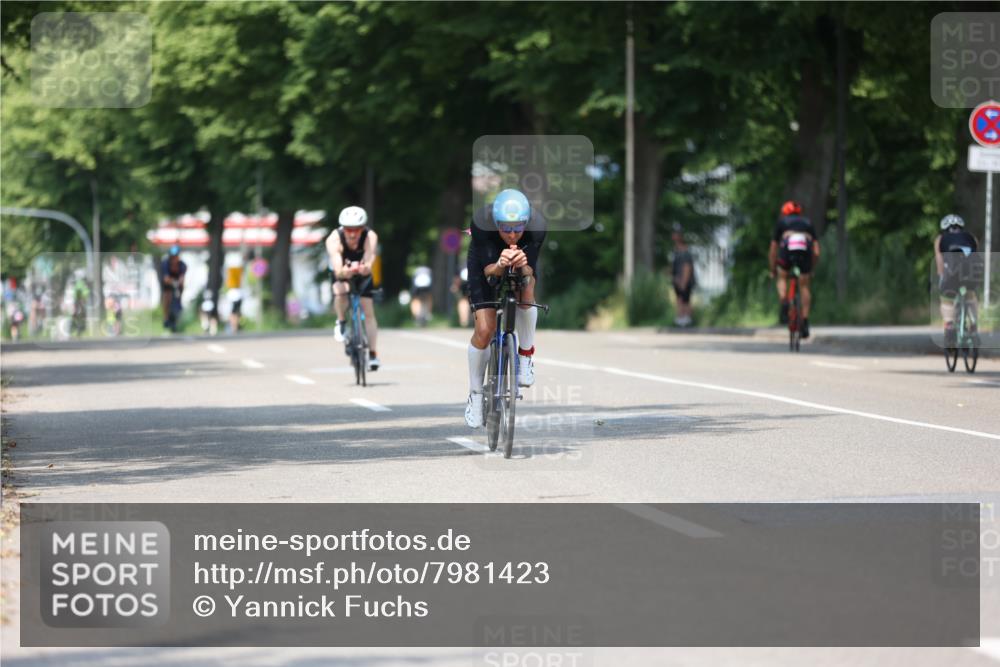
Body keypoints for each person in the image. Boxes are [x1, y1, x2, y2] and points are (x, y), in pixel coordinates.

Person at [464, 188, 546, 428]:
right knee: (485, 330)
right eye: (506, 228)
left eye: (517, 228)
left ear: (526, 223)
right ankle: (475, 394)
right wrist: (500, 263)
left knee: (527, 287)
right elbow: (489, 273)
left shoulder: (537, 226)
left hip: (520, 263)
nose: (511, 234)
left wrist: (523, 266)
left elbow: (530, 272)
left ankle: (526, 355)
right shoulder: (482, 223)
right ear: (496, 222)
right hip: (487, 263)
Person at [325, 206, 380, 371]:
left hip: (362, 271)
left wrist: (365, 268)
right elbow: (337, 268)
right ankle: (341, 320)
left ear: (363, 228)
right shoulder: (334, 239)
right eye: (349, 230)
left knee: (368, 312)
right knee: (339, 291)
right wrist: (344, 272)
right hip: (342, 270)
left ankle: (373, 354)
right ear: (343, 229)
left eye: (357, 230)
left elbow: (369, 259)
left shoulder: (370, 236)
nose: (353, 234)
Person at [769, 200, 820, 338]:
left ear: (785, 212)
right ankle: (805, 322)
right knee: (804, 286)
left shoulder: (782, 222)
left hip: (787, 250)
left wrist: (773, 269)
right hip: (804, 251)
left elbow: (773, 249)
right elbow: (816, 250)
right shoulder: (808, 223)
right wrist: (811, 268)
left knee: (782, 276)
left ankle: (785, 303)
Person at [934, 214, 980, 346]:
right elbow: (976, 256)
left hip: (951, 273)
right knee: (971, 295)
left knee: (946, 299)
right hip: (970, 272)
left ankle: (949, 325)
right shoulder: (971, 237)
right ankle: (973, 324)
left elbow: (939, 260)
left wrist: (940, 277)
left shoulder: (940, 239)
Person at [670, 224, 695, 327]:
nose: (673, 236)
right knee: (680, 300)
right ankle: (681, 320)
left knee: (685, 301)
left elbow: (687, 267)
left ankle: (687, 321)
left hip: (684, 281)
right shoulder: (676, 251)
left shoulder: (684, 251)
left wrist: (684, 282)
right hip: (678, 280)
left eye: (676, 234)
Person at [160, 245, 187, 330]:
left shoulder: (182, 265)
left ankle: (179, 306)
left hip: (178, 284)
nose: (174, 259)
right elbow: (166, 278)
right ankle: (166, 318)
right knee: (167, 297)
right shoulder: (165, 263)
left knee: (179, 293)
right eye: (172, 257)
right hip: (168, 284)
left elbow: (182, 277)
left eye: (176, 257)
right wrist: (172, 282)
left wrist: (179, 283)